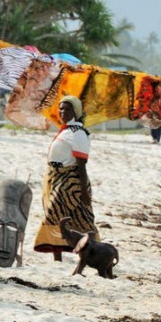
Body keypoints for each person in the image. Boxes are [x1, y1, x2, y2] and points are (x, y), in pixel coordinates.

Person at [33, 96, 100, 262]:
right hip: (56, 179)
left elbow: (82, 164)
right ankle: (60, 258)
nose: (63, 112)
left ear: (76, 112)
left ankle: (93, 254)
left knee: (60, 217)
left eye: (67, 109)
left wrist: (84, 191)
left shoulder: (78, 134)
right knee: (70, 218)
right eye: (61, 109)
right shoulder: (66, 131)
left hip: (70, 182)